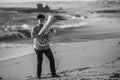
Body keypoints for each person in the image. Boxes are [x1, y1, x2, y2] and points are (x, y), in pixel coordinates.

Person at [31, 14, 60, 79]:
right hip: (38, 47)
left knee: (51, 59)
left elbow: (49, 35)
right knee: (40, 61)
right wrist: (39, 36)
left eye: (43, 19)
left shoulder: (46, 27)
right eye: (40, 19)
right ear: (38, 20)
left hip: (46, 46)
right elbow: (32, 36)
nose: (42, 21)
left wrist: (49, 35)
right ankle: (38, 76)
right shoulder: (34, 28)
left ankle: (53, 74)